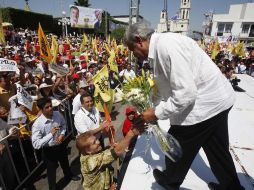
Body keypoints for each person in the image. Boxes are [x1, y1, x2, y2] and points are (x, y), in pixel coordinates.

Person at [124, 21, 244, 190]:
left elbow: (186, 93)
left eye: (132, 50)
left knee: (177, 141)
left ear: (139, 40)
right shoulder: (159, 48)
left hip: (205, 104)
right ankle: (232, 188)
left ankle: (170, 181)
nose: (134, 56)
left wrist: (157, 113)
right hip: (217, 101)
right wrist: (152, 106)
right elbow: (163, 84)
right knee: (217, 148)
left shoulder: (166, 47)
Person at [76, 118, 145, 190]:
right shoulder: (91, 162)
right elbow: (117, 152)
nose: (98, 142)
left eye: (96, 139)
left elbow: (104, 154)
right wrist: (131, 133)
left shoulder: (88, 153)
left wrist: (111, 147)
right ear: (88, 151)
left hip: (108, 182)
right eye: (94, 143)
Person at [31, 98, 80, 190]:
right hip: (49, 150)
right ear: (41, 110)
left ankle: (68, 175)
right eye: (47, 107)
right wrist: (51, 134)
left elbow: (64, 125)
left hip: (61, 145)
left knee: (65, 162)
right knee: (51, 171)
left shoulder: (57, 114)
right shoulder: (37, 124)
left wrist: (62, 135)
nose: (50, 108)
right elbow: (36, 144)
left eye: (51, 106)